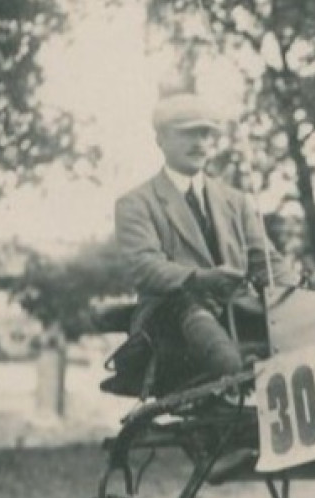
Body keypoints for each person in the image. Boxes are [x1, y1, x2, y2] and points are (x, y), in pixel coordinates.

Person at [114, 92, 283, 389]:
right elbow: (143, 266)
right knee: (187, 306)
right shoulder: (137, 203)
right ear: (161, 139)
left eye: (206, 133)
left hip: (238, 314)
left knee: (295, 320)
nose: (200, 142)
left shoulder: (237, 202)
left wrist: (301, 295)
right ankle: (240, 380)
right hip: (172, 324)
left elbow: (268, 263)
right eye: (187, 133)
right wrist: (202, 279)